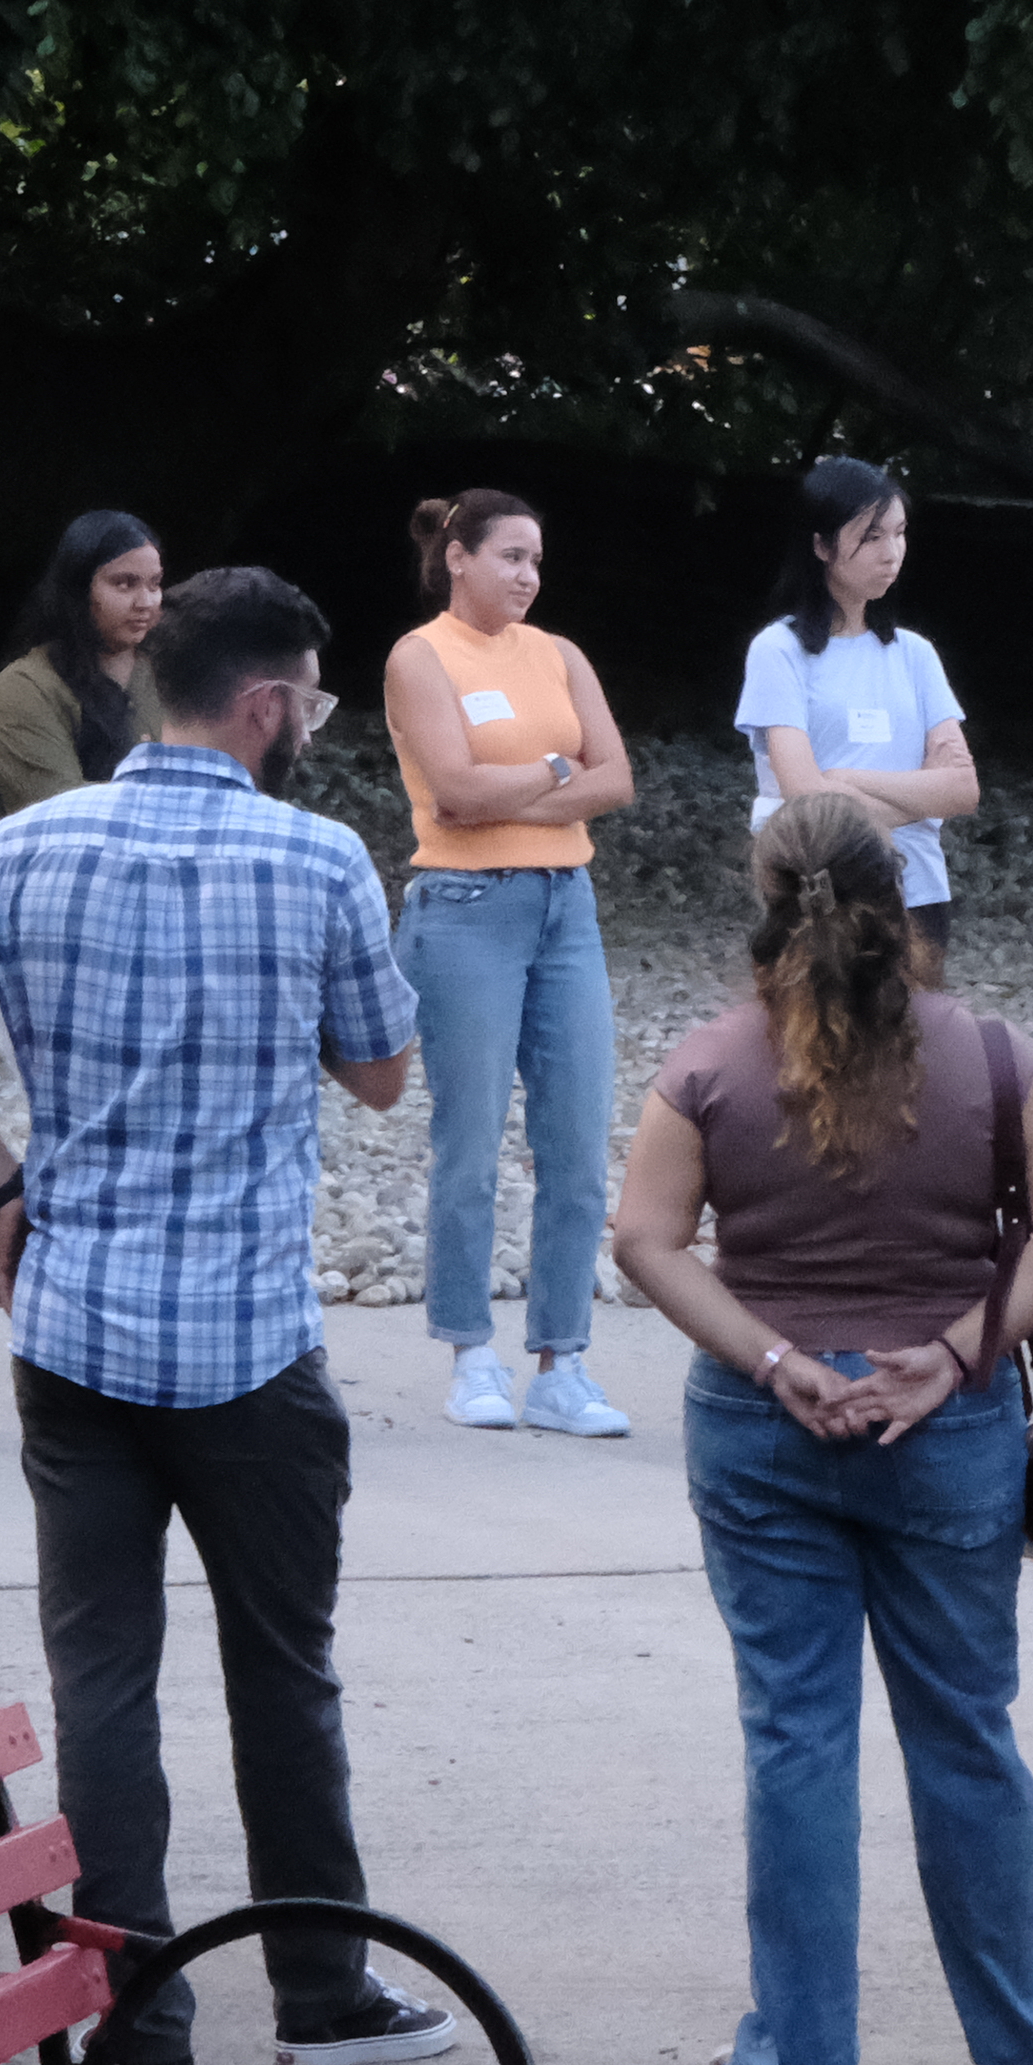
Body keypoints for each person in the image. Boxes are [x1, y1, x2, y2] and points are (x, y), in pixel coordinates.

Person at [0, 565, 466, 2065]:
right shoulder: (317, 861)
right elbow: (383, 1075)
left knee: (103, 1677)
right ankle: (320, 1989)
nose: (311, 723)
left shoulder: (31, 844)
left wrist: (2, 1173)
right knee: (283, 1672)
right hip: (249, 1337)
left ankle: (136, 2015)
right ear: (263, 706)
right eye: (309, 701)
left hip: (76, 1328)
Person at [615, 792, 1033, 2065]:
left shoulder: (710, 1066)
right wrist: (951, 1356)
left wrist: (776, 1361)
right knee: (966, 1735)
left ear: (766, 906)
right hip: (943, 1425)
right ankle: (1027, 2038)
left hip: (766, 1429)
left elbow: (646, 1239)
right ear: (903, 902)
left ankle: (804, 2048)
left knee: (797, 1737)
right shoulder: (996, 1058)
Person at [389, 489, 636, 1437]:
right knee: (472, 1138)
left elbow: (616, 778)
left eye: (537, 560)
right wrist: (558, 776)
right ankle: (469, 1349)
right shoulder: (422, 656)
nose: (528, 576)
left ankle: (562, 1359)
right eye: (510, 557)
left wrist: (523, 792)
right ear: (458, 556)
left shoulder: (560, 655)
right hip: (464, 910)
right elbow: (451, 793)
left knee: (576, 1141)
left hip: (565, 907)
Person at [734, 459, 980, 983]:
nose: (891, 553)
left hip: (918, 891)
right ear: (822, 546)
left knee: (914, 1053)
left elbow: (962, 790)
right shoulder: (779, 651)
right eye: (871, 537)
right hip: (818, 897)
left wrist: (845, 780)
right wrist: (916, 794)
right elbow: (806, 801)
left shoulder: (915, 655)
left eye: (899, 533)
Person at [0, 512, 164, 836]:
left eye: (155, 584)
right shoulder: (28, 688)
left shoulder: (172, 675)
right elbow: (64, 814)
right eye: (125, 583)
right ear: (79, 589)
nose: (145, 602)